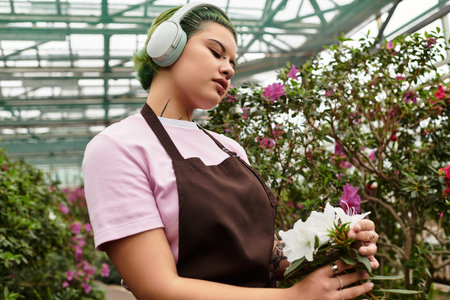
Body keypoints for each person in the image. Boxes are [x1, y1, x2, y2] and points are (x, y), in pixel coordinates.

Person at [82, 2, 379, 299]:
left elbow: (262, 253)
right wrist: (293, 297)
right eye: (215, 52)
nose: (228, 68)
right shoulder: (117, 147)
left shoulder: (229, 148)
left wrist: (334, 244)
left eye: (233, 62)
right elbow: (158, 287)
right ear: (167, 47)